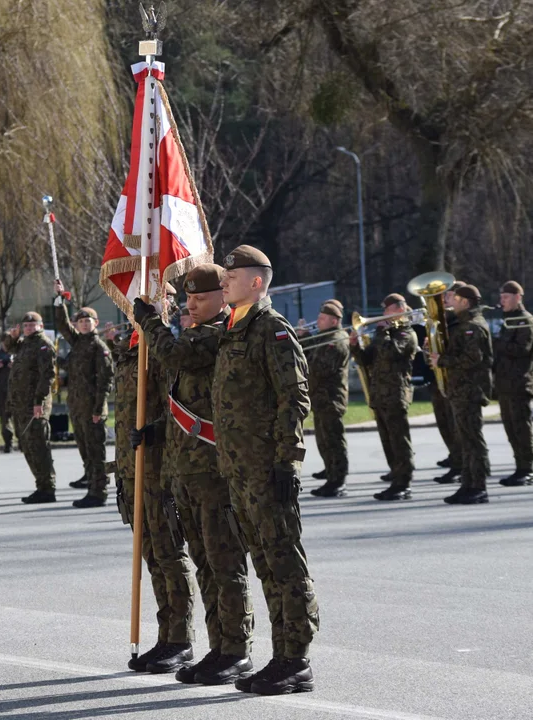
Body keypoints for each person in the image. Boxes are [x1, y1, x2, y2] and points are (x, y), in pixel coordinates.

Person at [135, 264, 255, 686]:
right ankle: (218, 647)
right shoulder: (196, 331)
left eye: (200, 297)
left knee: (225, 563)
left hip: (214, 471)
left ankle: (237, 649)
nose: (191, 305)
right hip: (187, 469)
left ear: (223, 296)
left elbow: (175, 356)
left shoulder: (217, 332)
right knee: (204, 562)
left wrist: (151, 319)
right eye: (187, 298)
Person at [213, 244, 318, 695]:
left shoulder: (271, 330)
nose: (224, 283)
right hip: (239, 472)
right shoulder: (234, 330)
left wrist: (287, 462)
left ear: (256, 281)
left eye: (231, 277)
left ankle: (296, 659)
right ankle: (280, 656)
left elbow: (293, 399)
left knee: (284, 564)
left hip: (267, 470)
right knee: (263, 563)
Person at [114, 286, 199, 676]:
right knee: (151, 556)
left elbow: (179, 407)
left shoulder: (164, 349)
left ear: (165, 303)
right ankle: (166, 636)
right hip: (132, 470)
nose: (139, 306)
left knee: (169, 553)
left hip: (159, 467)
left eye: (150, 298)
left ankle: (180, 640)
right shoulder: (131, 348)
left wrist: (155, 430)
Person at [352, 294, 419, 500]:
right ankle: (395, 475)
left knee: (399, 440)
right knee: (387, 439)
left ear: (399, 310)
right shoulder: (386, 333)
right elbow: (366, 359)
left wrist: (383, 331)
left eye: (387, 310)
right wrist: (355, 345)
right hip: (380, 395)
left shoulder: (406, 333)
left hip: (396, 394)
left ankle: (403, 482)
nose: (383, 315)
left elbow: (393, 353)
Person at [54, 281, 114, 508]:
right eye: (80, 322)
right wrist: (60, 301)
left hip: (93, 409)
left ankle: (98, 493)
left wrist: (99, 409)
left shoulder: (98, 347)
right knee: (85, 450)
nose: (84, 325)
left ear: (95, 323)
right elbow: (61, 325)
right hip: (77, 408)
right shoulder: (78, 343)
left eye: (87, 321)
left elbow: (105, 379)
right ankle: (92, 485)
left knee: (95, 451)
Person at [430, 284, 493, 504]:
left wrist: (443, 361)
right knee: (465, 440)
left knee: (472, 439)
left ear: (465, 302)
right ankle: (467, 484)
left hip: (469, 390)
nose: (449, 302)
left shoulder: (473, 326)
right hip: (460, 389)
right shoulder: (462, 324)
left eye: (453, 299)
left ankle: (478, 486)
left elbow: (472, 359)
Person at [5, 312, 57, 503]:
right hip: (21, 405)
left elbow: (47, 376)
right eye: (25, 325)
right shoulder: (24, 343)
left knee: (39, 445)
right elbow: (7, 347)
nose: (28, 328)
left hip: (35, 405)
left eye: (32, 325)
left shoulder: (43, 345)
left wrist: (39, 402)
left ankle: (47, 488)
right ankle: (41, 485)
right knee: (28, 446)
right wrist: (13, 336)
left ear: (40, 326)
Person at [493, 281, 533, 486]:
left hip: (520, 382)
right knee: (511, 427)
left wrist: (495, 343)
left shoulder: (525, 320)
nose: (502, 301)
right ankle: (519, 465)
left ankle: (527, 468)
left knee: (521, 427)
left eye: (506, 297)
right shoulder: (508, 320)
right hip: (505, 383)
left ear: (518, 297)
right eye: (501, 297)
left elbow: (521, 350)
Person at [306, 300, 351, 498]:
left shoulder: (336, 340)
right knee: (324, 440)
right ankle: (331, 473)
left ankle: (338, 481)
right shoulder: (325, 337)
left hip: (331, 398)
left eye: (322, 318)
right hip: (320, 397)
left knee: (333, 440)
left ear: (334, 321)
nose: (318, 321)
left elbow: (321, 368)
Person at [432, 280, 466, 484]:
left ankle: (461, 466)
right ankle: (456, 459)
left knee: (459, 428)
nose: (445, 300)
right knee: (446, 425)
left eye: (449, 296)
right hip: (445, 381)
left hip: (460, 382)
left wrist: (442, 357)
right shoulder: (446, 321)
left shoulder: (460, 323)